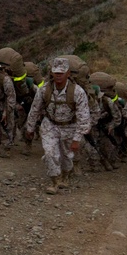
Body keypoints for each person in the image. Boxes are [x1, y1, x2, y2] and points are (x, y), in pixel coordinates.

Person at [25, 57, 91, 194]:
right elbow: (35, 109)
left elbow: (84, 118)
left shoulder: (78, 92)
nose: (58, 75)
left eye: (62, 72)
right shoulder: (44, 90)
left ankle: (66, 175)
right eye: (56, 72)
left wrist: (77, 139)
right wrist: (30, 128)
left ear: (68, 74)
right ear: (52, 73)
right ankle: (55, 181)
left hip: (70, 127)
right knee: (50, 153)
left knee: (67, 156)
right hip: (50, 125)